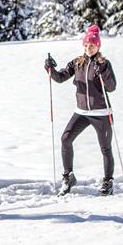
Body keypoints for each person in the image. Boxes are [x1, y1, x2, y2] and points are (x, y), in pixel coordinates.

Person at [45, 24, 117, 196]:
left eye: (91, 45)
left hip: (101, 113)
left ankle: (108, 182)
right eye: (86, 45)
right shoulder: (77, 62)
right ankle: (68, 177)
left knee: (105, 148)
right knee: (65, 139)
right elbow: (60, 78)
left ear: (98, 46)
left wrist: (103, 72)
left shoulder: (104, 64)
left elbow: (111, 87)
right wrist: (50, 69)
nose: (88, 48)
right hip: (82, 112)